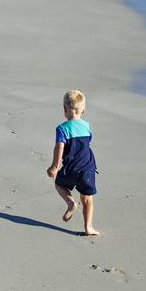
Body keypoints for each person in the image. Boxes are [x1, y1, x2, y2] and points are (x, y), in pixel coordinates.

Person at [46, 89, 100, 236]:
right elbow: (87, 142)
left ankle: (70, 203)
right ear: (84, 111)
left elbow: (60, 147)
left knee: (59, 184)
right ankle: (88, 227)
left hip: (71, 168)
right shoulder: (87, 126)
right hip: (87, 167)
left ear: (64, 109)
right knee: (87, 198)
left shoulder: (62, 129)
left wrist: (55, 166)